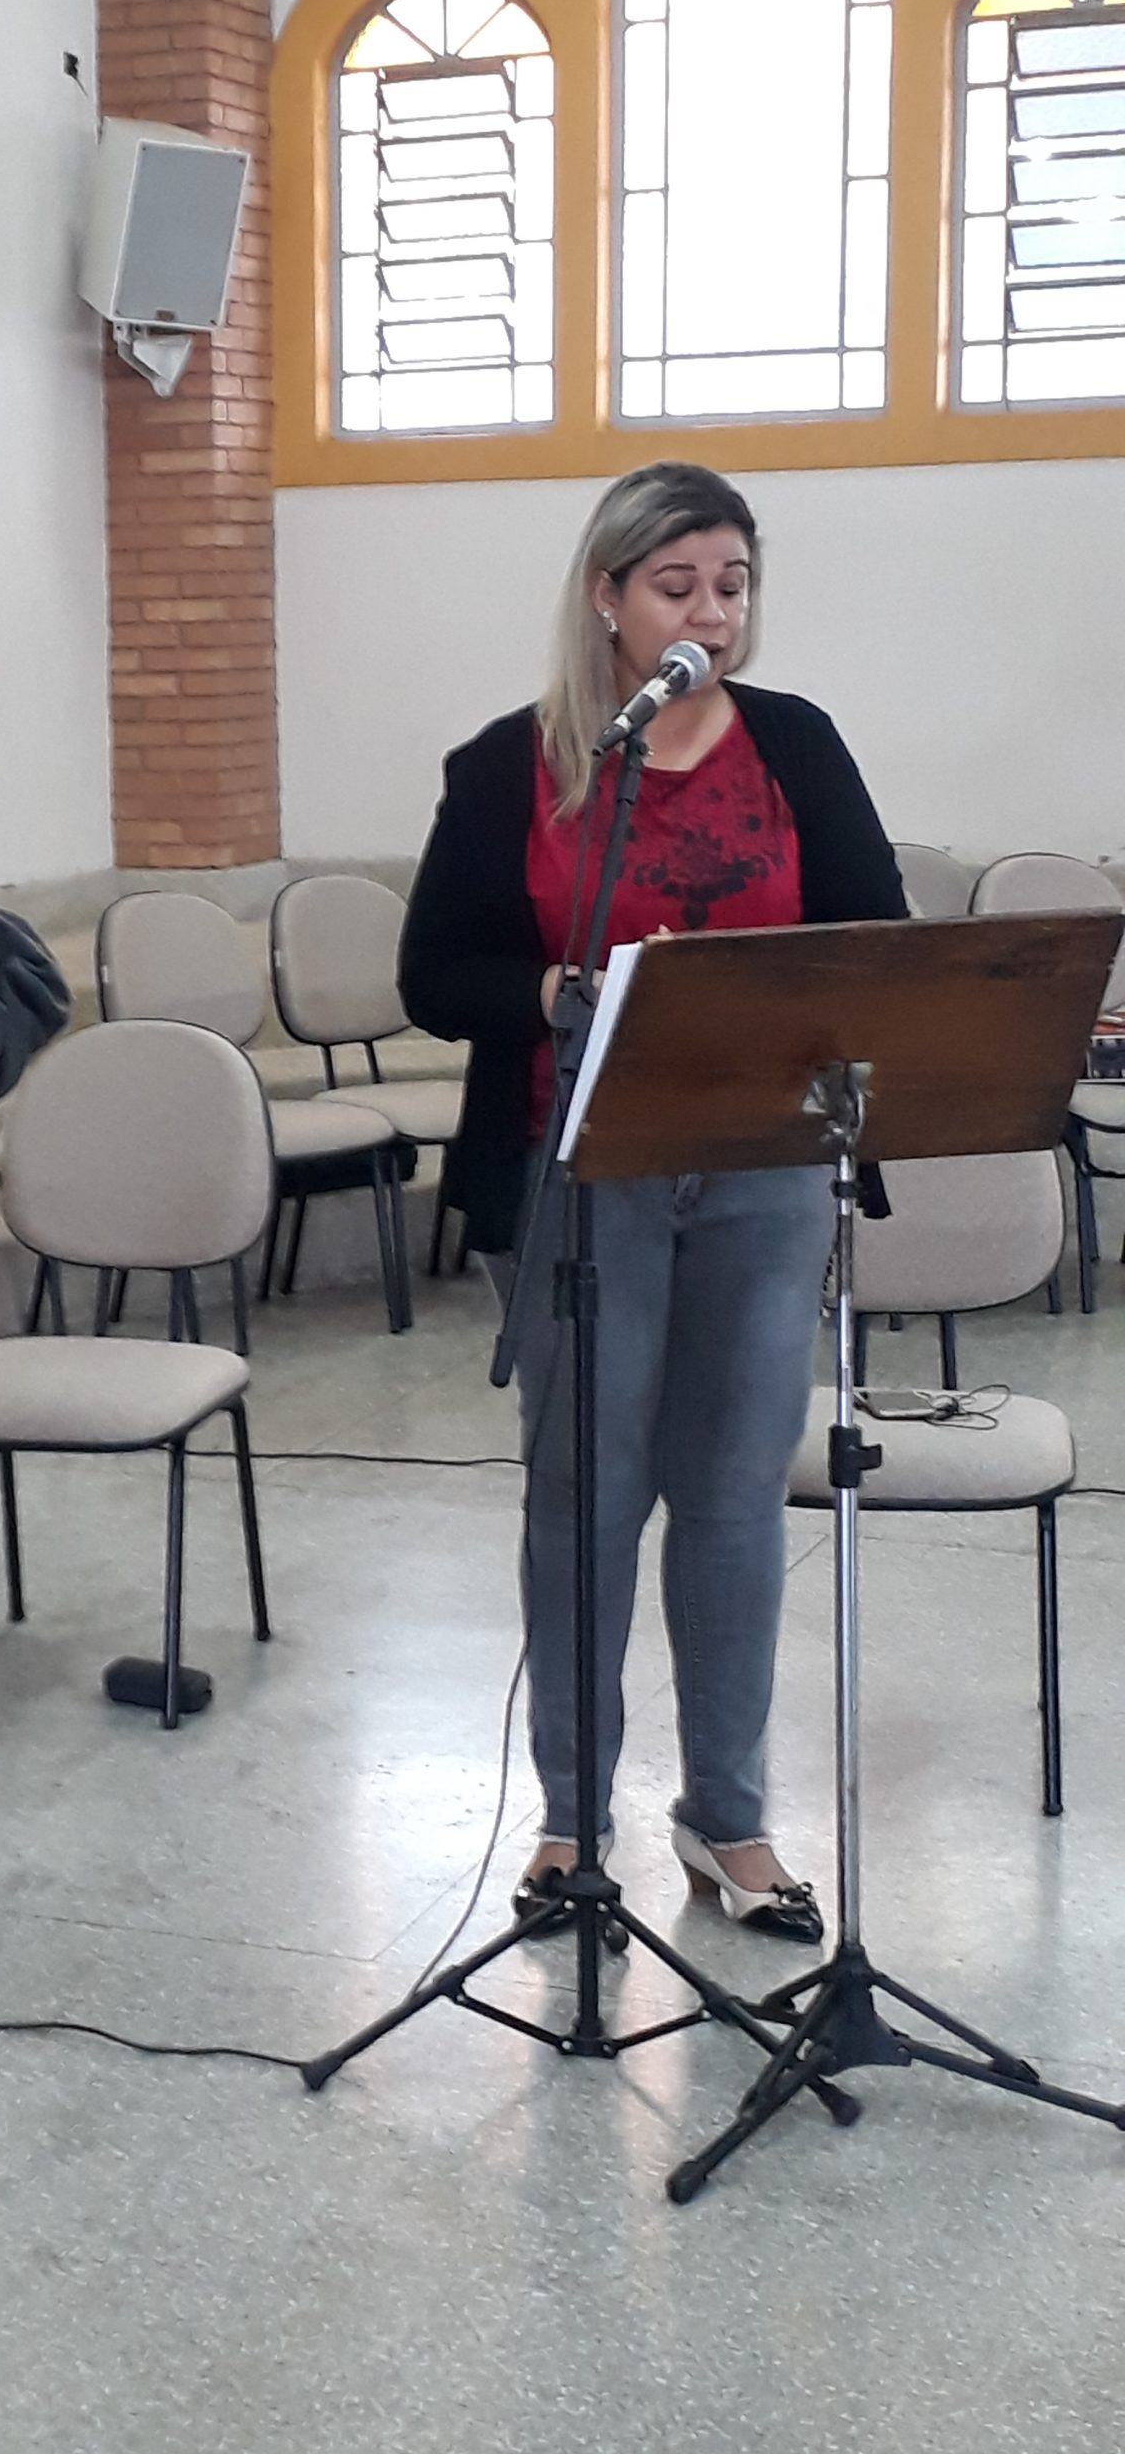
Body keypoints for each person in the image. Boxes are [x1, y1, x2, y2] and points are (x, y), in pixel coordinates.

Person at [399, 462, 905, 1940]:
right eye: (678, 586)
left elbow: (872, 932)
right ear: (608, 596)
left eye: (733, 585)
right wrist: (557, 990)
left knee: (734, 1497)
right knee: (586, 1496)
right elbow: (437, 975)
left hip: (762, 1168)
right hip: (578, 1171)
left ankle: (727, 1819)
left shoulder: (795, 744)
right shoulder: (512, 766)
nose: (711, 614)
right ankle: (573, 1820)